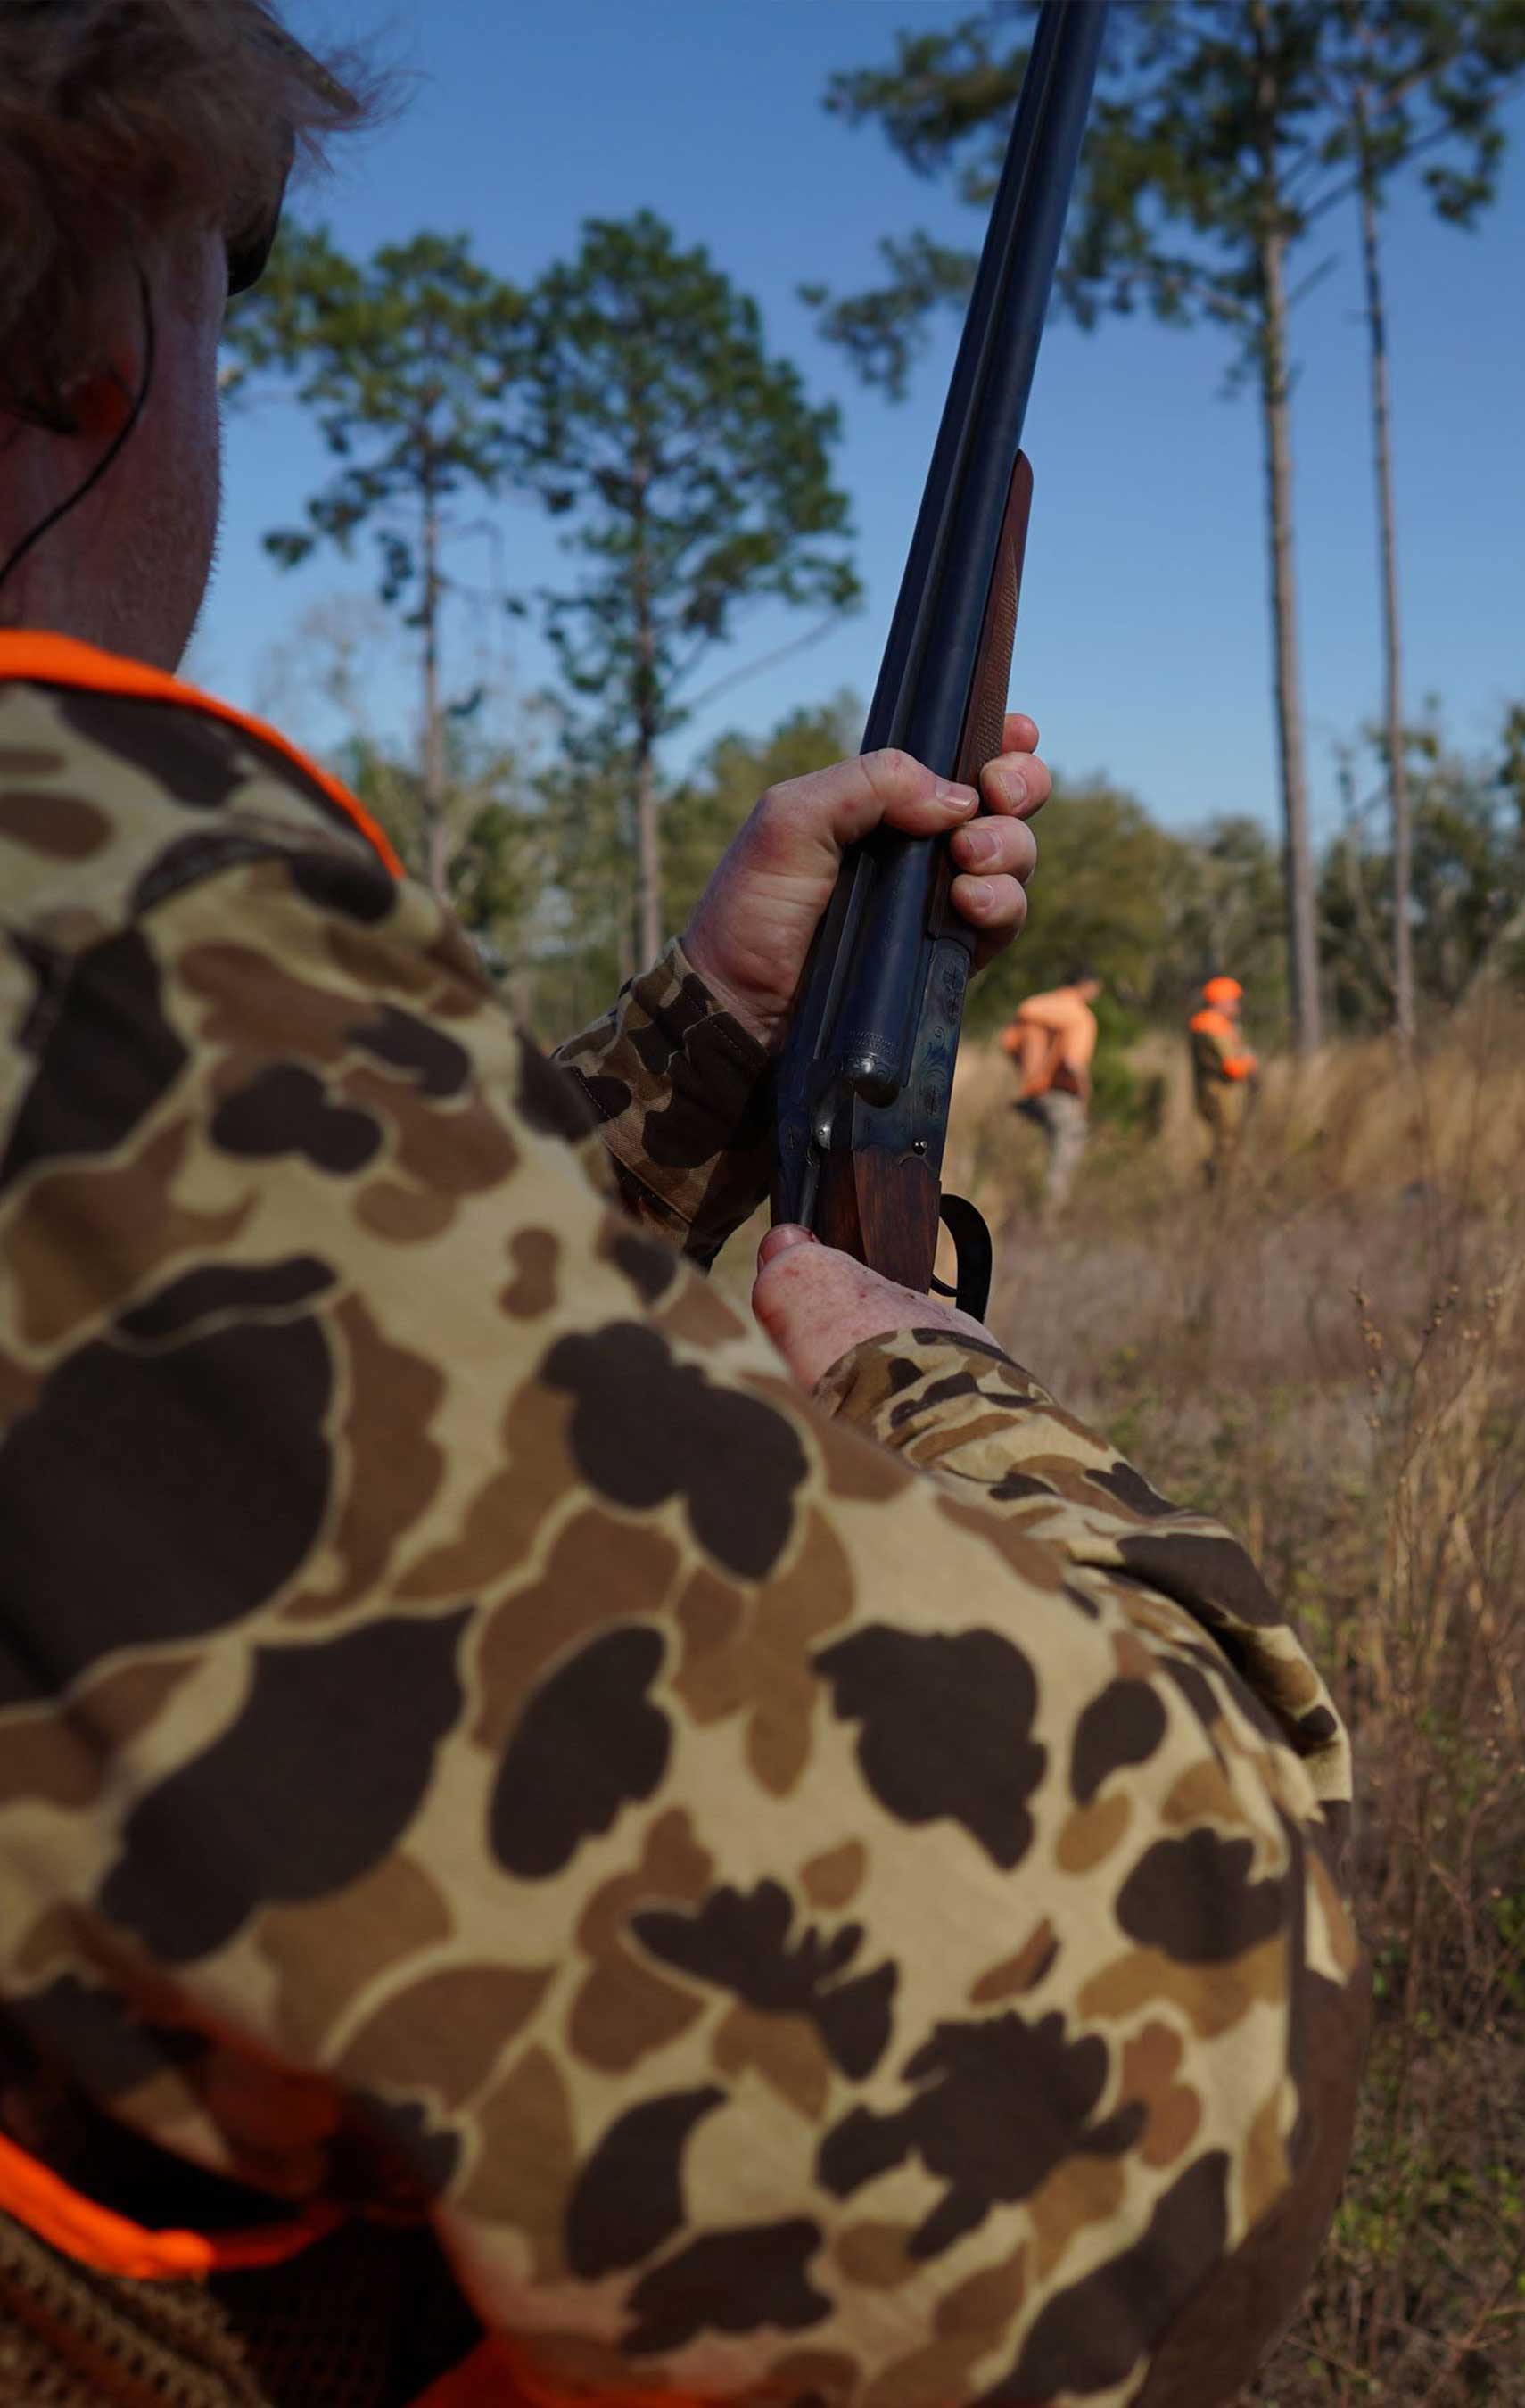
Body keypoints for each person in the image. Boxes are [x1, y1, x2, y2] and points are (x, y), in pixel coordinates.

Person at [0, 9, 1366, 2406]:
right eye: (250, 280)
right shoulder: (73, 924)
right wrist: (906, 1367)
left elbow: (248, 1368)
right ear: (108, 304)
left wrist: (715, 1037)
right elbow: (1137, 2116)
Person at [998, 972, 1100, 1213]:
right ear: (1086, 985)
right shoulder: (1080, 1016)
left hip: (1033, 1094)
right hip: (1061, 1095)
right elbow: (1073, 1062)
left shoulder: (1037, 1005)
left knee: (1039, 1148)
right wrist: (1085, 1096)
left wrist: (1029, 1074)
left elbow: (1008, 1043)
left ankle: (1017, 1199)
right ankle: (1050, 1212)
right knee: (1065, 1152)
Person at [1189, 977, 1257, 1188]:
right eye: (1233, 1000)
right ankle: (1221, 1190)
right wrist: (1250, 1062)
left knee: (1225, 1142)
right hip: (1219, 1093)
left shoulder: (1211, 1024)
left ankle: (1221, 1186)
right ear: (1220, 1001)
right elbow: (1232, 1067)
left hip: (1213, 1091)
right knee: (1227, 1143)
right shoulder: (1212, 1026)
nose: (1237, 1006)